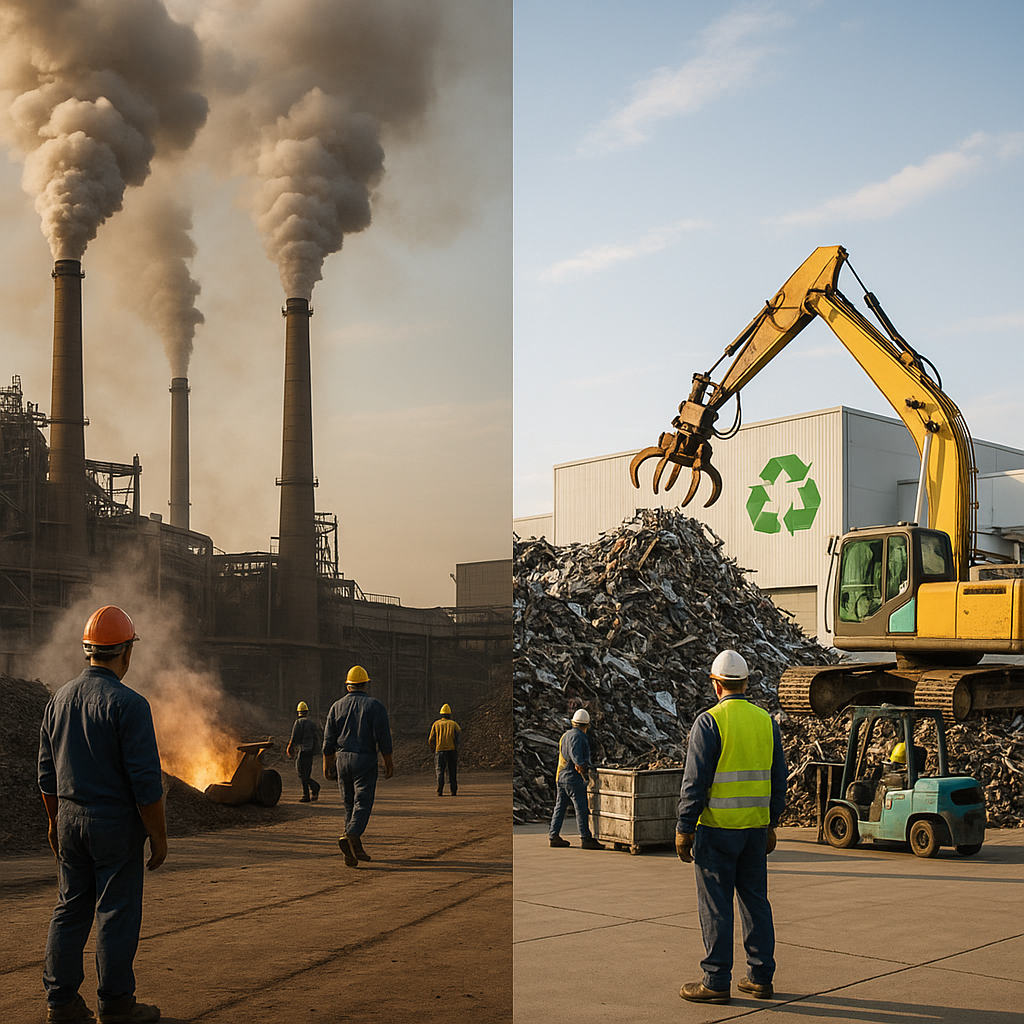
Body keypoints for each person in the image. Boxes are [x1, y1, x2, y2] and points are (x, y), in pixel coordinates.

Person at [38, 605, 166, 1024]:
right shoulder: (130, 705)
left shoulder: (57, 700)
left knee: (70, 908)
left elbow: (46, 775)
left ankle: (62, 1004)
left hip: (71, 819)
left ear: (88, 650)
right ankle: (116, 1005)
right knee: (115, 911)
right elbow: (146, 784)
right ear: (126, 652)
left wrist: (56, 822)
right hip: (113, 824)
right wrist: (159, 838)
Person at [675, 649, 786, 1005]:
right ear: (746, 682)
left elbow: (695, 781)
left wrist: (684, 827)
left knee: (716, 905)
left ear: (715, 684)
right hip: (754, 830)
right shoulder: (765, 721)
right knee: (756, 902)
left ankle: (716, 980)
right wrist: (771, 823)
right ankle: (760, 977)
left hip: (718, 830)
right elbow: (778, 779)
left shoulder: (710, 722)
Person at [322, 665, 394, 868]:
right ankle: (351, 834)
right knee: (362, 802)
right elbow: (383, 737)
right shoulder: (374, 706)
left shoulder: (336, 706)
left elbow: (328, 739)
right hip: (364, 759)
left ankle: (352, 852)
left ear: (348, 686)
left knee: (349, 804)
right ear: (366, 684)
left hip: (342, 759)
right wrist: (387, 761)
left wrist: (328, 763)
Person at [548, 708, 605, 851]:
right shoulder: (579, 737)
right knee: (581, 808)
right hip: (573, 778)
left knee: (560, 807)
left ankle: (553, 835)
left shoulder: (565, 735)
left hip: (560, 776)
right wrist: (586, 774)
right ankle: (586, 838)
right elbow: (578, 761)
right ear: (586, 725)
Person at [286, 701, 321, 803]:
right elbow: (317, 737)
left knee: (301, 773)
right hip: (309, 752)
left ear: (298, 712)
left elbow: (294, 737)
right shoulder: (312, 724)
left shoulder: (298, 723)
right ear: (307, 712)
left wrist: (290, 747)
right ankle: (308, 794)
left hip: (302, 751)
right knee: (306, 773)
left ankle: (313, 788)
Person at [428, 703, 461, 796]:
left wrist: (432, 749)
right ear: (449, 714)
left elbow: (431, 739)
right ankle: (453, 790)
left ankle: (440, 790)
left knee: (440, 771)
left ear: (441, 714)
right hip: (452, 750)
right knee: (452, 771)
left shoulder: (436, 724)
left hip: (440, 751)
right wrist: (457, 749)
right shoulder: (454, 724)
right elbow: (458, 738)